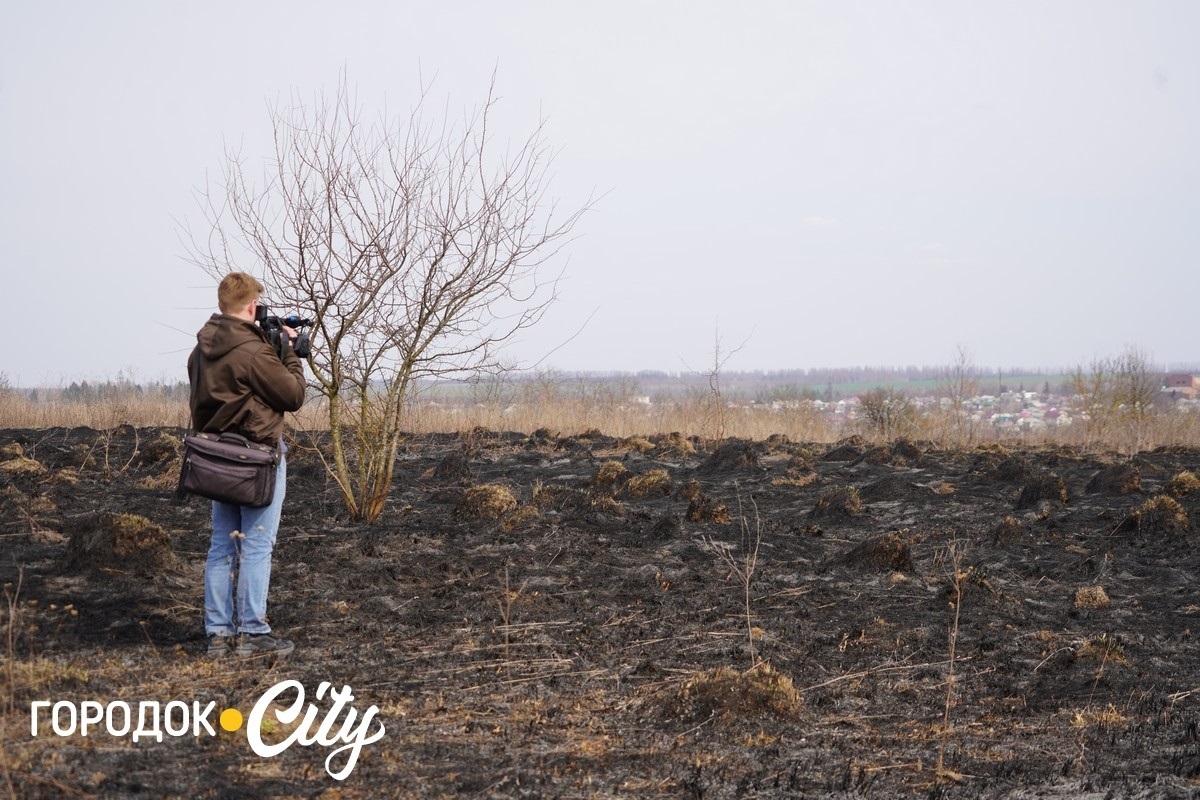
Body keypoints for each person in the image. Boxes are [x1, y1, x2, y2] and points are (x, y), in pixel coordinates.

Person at [188, 272, 306, 658]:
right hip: (256, 458)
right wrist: (288, 352)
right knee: (256, 545)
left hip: (217, 458)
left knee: (221, 545)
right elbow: (292, 395)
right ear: (253, 306)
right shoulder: (253, 352)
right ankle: (253, 633)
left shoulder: (201, 350)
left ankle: (218, 635)